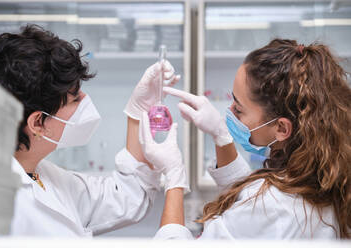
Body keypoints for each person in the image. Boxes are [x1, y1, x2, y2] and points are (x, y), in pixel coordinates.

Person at [139, 39, 351, 239]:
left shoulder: (272, 206)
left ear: (281, 128)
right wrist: (221, 135)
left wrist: (174, 177)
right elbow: (249, 196)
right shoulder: (325, 174)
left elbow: (256, 207)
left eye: (238, 109)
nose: (229, 112)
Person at [0, 24, 188, 236]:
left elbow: (126, 197)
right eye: (75, 100)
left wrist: (137, 112)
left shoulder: (42, 176)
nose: (86, 101)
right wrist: (175, 180)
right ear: (38, 123)